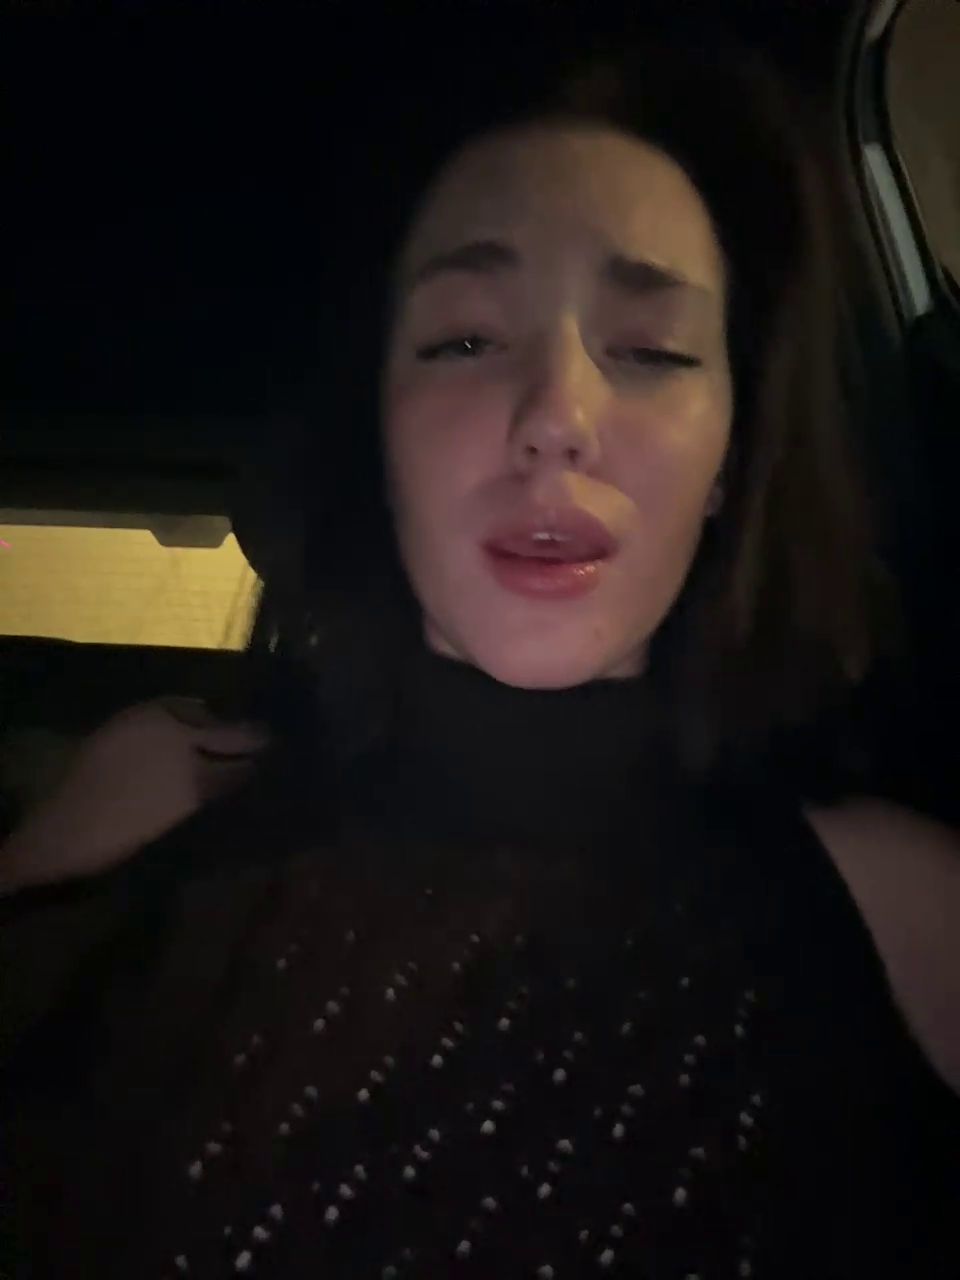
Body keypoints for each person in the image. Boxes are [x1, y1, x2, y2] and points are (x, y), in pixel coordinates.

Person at [1, 23, 958, 1280]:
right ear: (377, 426)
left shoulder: (900, 909)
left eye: (652, 349)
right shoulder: (157, 801)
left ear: (734, 456)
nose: (557, 417)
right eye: (463, 339)